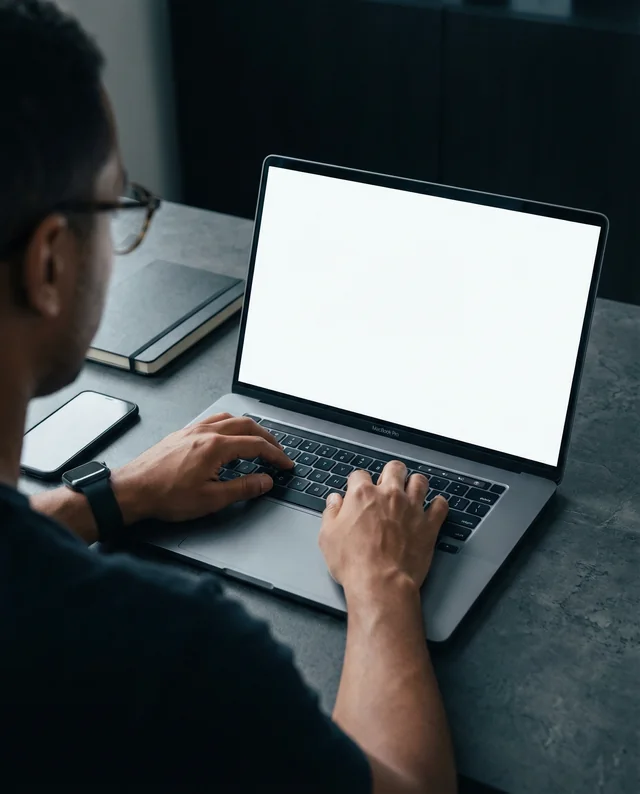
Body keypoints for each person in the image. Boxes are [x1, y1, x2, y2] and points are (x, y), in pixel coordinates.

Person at [0, 1, 457, 791]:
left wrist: (114, 497)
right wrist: (382, 584)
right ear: (47, 265)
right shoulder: (175, 655)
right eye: (117, 208)